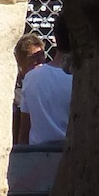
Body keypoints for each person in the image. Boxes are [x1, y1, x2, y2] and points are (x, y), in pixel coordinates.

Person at [16, 17, 73, 145]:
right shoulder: (78, 80)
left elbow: (24, 131)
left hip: (38, 152)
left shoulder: (31, 78)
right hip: (71, 150)